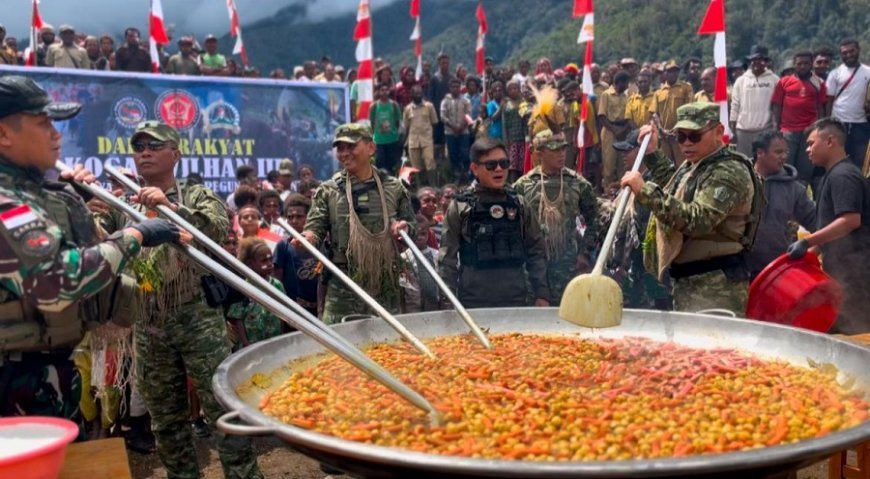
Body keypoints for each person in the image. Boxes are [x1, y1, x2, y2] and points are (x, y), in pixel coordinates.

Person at [0, 77, 180, 424]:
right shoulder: (7, 200)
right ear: (4, 135)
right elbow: (55, 281)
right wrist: (135, 235)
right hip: (13, 379)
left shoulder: (35, 192)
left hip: (43, 369)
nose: (56, 134)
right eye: (43, 123)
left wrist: (73, 205)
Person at [94, 120, 262, 478]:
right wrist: (84, 206)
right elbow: (100, 238)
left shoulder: (196, 194)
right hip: (149, 320)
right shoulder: (124, 199)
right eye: (139, 147)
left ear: (176, 153)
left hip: (196, 318)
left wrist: (171, 207)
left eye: (154, 145)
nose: (145, 153)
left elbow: (215, 230)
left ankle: (243, 475)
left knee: (223, 410)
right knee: (166, 418)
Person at [620, 103, 761, 313]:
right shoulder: (699, 163)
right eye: (680, 137)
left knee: (714, 345)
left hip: (715, 285)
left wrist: (645, 191)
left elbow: (698, 220)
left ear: (718, 132)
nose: (686, 144)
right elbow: (676, 191)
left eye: (694, 136)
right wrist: (652, 154)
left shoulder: (728, 171)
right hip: (690, 280)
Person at [295, 123, 414, 324]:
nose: (344, 153)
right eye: (340, 148)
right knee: (336, 345)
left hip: (383, 282)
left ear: (371, 148)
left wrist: (404, 228)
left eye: (351, 147)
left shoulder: (394, 188)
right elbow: (315, 227)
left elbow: (410, 223)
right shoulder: (329, 190)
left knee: (388, 345)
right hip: (343, 282)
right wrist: (308, 238)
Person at [439, 138, 549, 308]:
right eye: (491, 165)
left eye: (504, 163)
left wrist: (542, 294)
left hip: (516, 300)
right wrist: (448, 303)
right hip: (473, 302)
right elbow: (447, 259)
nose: (499, 169)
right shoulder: (461, 207)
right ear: (475, 169)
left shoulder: (519, 204)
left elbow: (536, 250)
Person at [788, 118, 870, 334]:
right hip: (840, 272)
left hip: (856, 275)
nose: (807, 150)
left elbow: (850, 221)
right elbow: (832, 228)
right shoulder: (831, 175)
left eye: (811, 143)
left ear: (830, 141)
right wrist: (811, 253)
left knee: (855, 335)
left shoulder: (844, 176)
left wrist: (807, 241)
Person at [514, 130, 599, 305]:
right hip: (533, 267)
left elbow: (595, 220)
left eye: (563, 149)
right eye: (554, 150)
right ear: (539, 153)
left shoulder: (578, 183)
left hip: (567, 265)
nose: (561, 154)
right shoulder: (523, 186)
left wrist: (585, 253)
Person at [746, 130, 816, 276]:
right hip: (739, 269)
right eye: (778, 152)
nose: (784, 157)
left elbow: (816, 221)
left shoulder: (794, 189)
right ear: (760, 153)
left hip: (777, 269)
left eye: (786, 152)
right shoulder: (740, 181)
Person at [771, 51, 827, 185]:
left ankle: (800, 198)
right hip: (788, 131)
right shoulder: (784, 82)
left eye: (806, 63)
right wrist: (775, 128)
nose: (802, 66)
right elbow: (776, 106)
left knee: (806, 168)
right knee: (785, 166)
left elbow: (821, 107)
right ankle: (785, 197)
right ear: (794, 64)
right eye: (799, 64)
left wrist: (820, 128)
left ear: (811, 64)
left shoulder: (819, 83)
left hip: (810, 131)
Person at [226, 238, 284, 349]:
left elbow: (283, 315)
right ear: (249, 263)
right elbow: (237, 319)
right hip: (252, 344)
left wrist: (281, 335)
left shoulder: (277, 285)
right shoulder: (243, 287)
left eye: (270, 259)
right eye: (263, 261)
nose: (269, 264)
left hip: (274, 341)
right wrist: (245, 342)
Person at [825, 39, 870, 169]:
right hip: (839, 123)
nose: (849, 55)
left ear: (858, 51)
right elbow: (829, 100)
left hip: (861, 124)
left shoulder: (868, 72)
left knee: (860, 161)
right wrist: (828, 122)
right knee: (837, 160)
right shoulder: (835, 74)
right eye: (845, 53)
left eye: (851, 51)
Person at [273, 194, 320, 318]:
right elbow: (278, 282)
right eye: (290, 217)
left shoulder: (322, 245)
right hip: (295, 311)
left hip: (320, 309)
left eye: (299, 216)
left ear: (309, 218)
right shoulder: (283, 246)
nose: (294, 221)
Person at [731, 45, 779, 157]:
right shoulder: (741, 80)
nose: (756, 62)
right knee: (744, 163)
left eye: (760, 59)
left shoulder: (775, 80)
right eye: (754, 59)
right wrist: (733, 131)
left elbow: (777, 106)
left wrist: (775, 129)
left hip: (765, 130)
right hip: (743, 131)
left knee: (763, 162)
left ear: (766, 61)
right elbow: (735, 105)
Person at [651, 61, 694, 164]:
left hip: (680, 135)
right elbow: (654, 113)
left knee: (683, 164)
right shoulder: (658, 92)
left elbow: (689, 109)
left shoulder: (686, 88)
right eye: (670, 71)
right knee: (666, 165)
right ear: (664, 73)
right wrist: (661, 129)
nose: (673, 74)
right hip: (664, 136)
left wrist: (678, 129)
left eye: (676, 71)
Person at [598, 71, 632, 189]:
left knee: (622, 164)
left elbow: (628, 116)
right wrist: (615, 130)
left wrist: (623, 130)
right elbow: (602, 116)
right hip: (609, 131)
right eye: (626, 83)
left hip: (622, 131)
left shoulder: (625, 97)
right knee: (609, 164)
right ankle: (608, 190)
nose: (628, 86)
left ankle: (620, 192)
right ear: (620, 83)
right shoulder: (606, 95)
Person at [404, 84, 439, 186]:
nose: (418, 95)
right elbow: (406, 126)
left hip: (427, 140)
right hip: (413, 141)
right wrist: (405, 142)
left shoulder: (429, 106)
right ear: (412, 95)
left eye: (420, 93)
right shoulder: (407, 109)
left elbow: (434, 122)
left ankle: (433, 186)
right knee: (416, 165)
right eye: (415, 93)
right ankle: (420, 187)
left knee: (430, 162)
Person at [441, 78, 472, 183]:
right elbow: (443, 116)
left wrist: (460, 128)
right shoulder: (445, 101)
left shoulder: (465, 101)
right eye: (453, 87)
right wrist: (454, 127)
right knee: (453, 154)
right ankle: (456, 175)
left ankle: (466, 174)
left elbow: (468, 114)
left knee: (465, 153)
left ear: (460, 88)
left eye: (457, 87)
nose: (455, 89)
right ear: (450, 88)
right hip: (450, 132)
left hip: (464, 132)